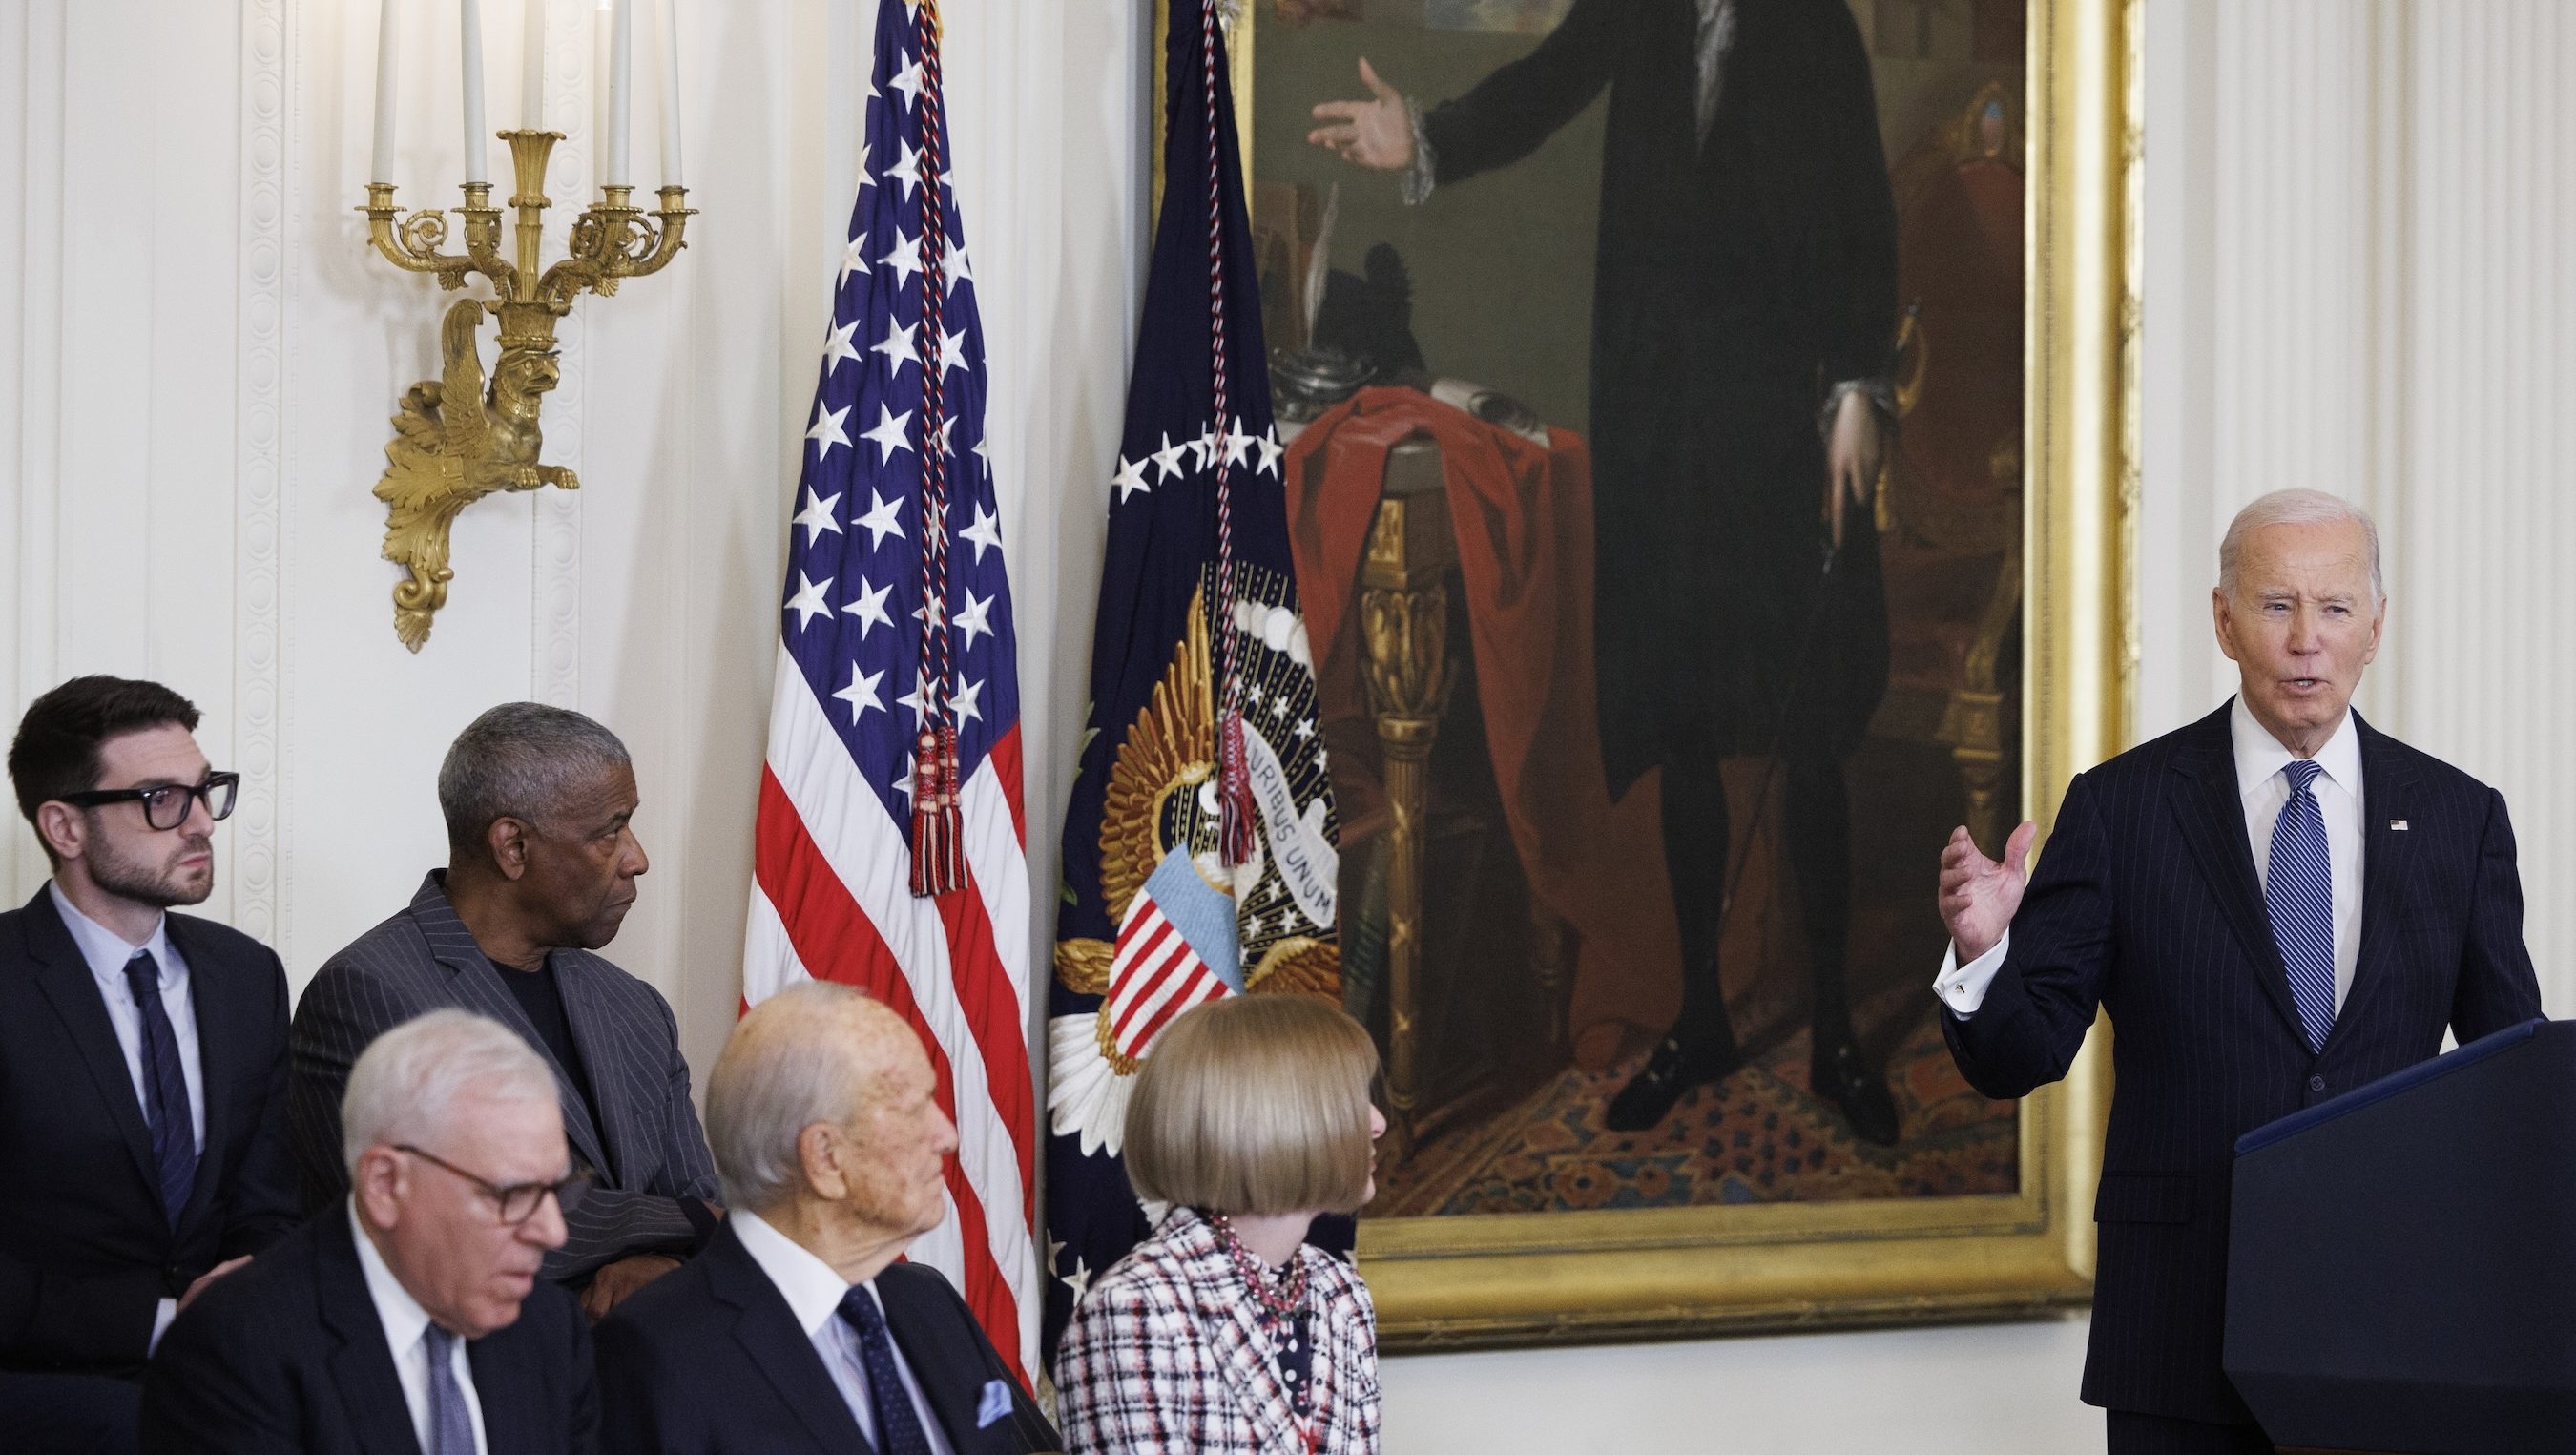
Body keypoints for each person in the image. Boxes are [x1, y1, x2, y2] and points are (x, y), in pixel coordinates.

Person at [1306, 0, 1901, 1140]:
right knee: (1678, 724)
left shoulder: (1813, 27)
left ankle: (1832, 1025)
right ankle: (1701, 1014)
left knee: (1810, 730)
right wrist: (1422, 136)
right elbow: (1542, 86)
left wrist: (1857, 390)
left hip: (1784, 428)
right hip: (1658, 427)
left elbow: (1862, 214)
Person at [1933, 489, 2543, 1453]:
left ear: (2376, 627)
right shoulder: (2122, 809)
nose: (2308, 640)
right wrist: (1985, 953)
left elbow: (2515, 1086)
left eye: (2336, 608)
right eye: (2276, 605)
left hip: (2395, 1335)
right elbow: (2022, 1053)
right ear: (2223, 619)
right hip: (2180, 1332)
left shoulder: (2459, 819)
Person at [289, 702, 719, 1318]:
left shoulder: (634, 1005)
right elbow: (455, 1218)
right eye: (609, 831)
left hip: (646, 1367)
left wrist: (661, 1259)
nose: (637, 858)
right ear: (513, 846)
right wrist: (683, 1223)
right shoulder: (367, 993)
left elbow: (700, 1200)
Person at [0, 676, 298, 1454]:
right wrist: (163, 1319)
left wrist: (246, 1302)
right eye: (162, 798)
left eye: (206, 792)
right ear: (64, 825)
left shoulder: (247, 976)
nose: (201, 822)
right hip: (42, 1381)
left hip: (228, 1368)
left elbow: (270, 1202)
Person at [594, 981, 1057, 1455]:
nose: (946, 1136)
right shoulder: (659, 1353)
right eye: (915, 1109)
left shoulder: (930, 1305)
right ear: (826, 1158)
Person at [140, 1009, 597, 1454]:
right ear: (385, 1184)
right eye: (512, 1194)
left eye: (558, 1189)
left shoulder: (549, 1329)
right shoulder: (239, 1350)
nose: (553, 1232)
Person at [1056, 994, 1385, 1454]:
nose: (1378, 1123)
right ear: (1277, 1120)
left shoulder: (1340, 1291)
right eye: (1350, 1100)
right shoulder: (1135, 1313)